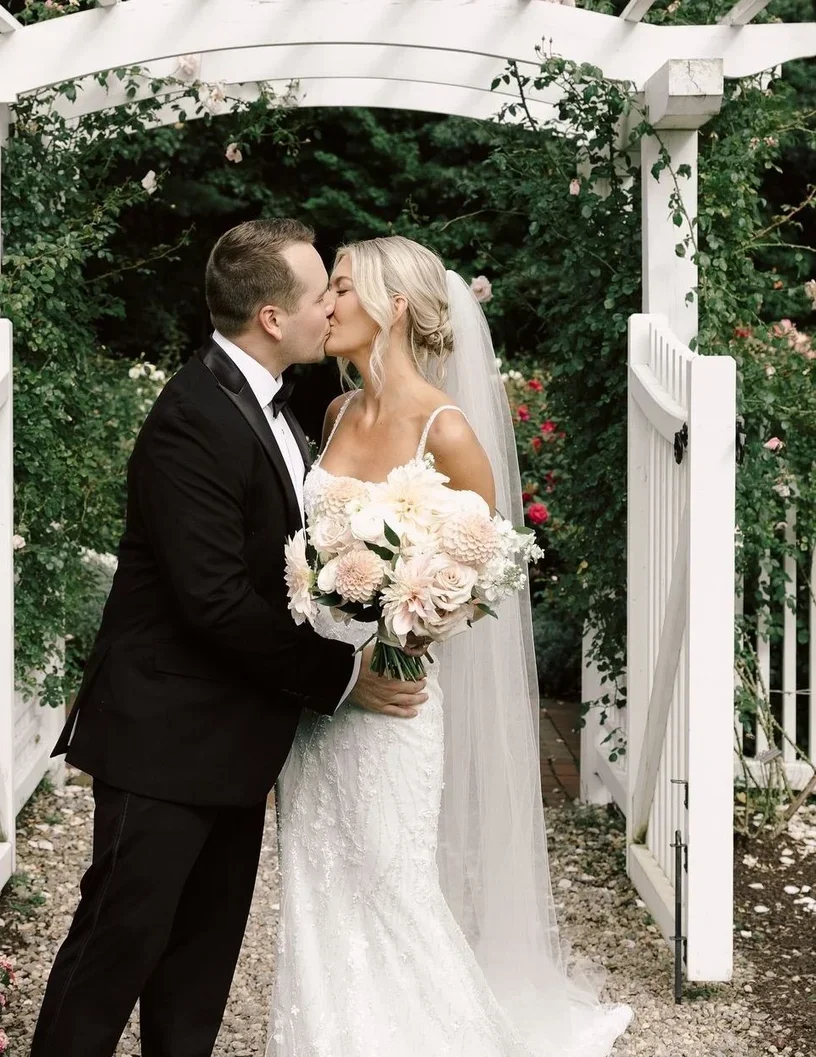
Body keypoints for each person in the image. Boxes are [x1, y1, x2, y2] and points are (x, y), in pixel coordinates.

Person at [29, 219, 428, 1057]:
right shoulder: (192, 416)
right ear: (274, 318)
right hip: (164, 743)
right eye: (322, 292)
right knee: (115, 952)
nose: (333, 306)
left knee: (197, 971)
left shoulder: (286, 405)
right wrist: (344, 675)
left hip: (238, 744)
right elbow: (212, 602)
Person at [267, 235, 633, 1057]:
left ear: (394, 305)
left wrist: (407, 624)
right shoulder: (331, 414)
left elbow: (484, 571)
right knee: (316, 881)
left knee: (394, 883)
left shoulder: (448, 428)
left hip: (393, 699)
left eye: (343, 289)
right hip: (320, 696)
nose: (327, 304)